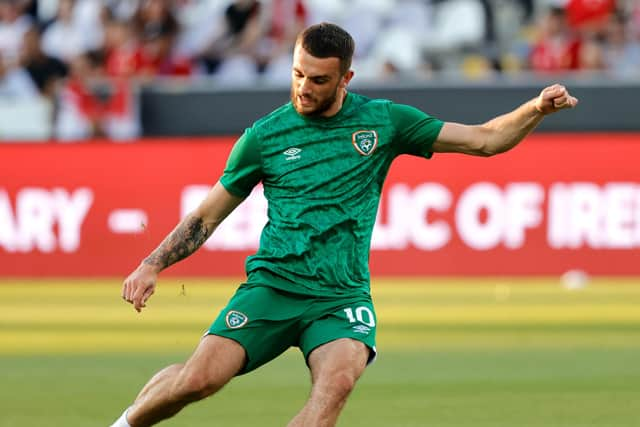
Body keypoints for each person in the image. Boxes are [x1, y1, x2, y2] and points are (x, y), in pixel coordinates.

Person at [111, 22, 578, 427]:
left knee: (335, 386)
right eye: (297, 74)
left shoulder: (383, 122)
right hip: (274, 286)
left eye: (318, 80)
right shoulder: (264, 137)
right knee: (198, 381)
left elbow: (485, 140)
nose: (303, 88)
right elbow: (207, 215)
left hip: (341, 296)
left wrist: (535, 109)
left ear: (345, 79)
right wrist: (152, 264)